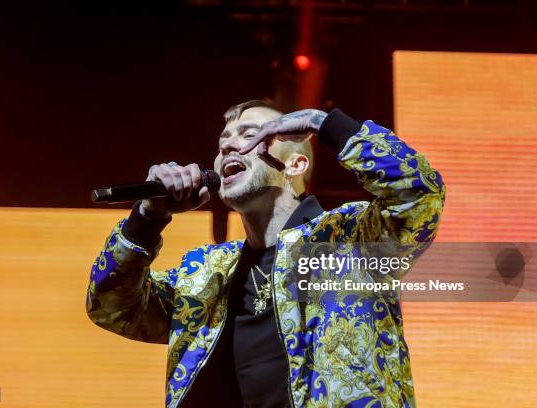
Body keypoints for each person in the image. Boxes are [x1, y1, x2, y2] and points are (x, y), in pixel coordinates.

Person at [86, 100, 445, 408]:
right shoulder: (207, 275)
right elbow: (113, 306)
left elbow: (419, 192)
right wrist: (148, 218)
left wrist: (323, 123)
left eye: (250, 134)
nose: (229, 147)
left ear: (296, 165)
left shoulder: (349, 240)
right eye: (223, 140)